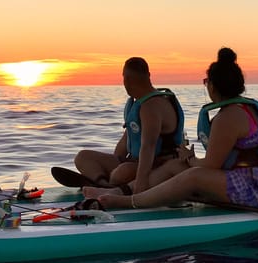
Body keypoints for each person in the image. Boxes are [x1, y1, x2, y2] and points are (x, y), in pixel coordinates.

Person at [92, 47, 258, 209]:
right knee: (175, 165)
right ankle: (121, 191)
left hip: (256, 189)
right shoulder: (241, 109)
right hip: (243, 179)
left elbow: (210, 166)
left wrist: (189, 158)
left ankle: (129, 202)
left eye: (206, 82)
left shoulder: (229, 117)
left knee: (194, 175)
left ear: (214, 86)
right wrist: (186, 160)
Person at [72, 57, 185, 193]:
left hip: (158, 165)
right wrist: (114, 162)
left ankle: (109, 183)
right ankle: (104, 183)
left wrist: (141, 181)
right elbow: (126, 140)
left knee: (120, 173)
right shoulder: (138, 103)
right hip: (134, 161)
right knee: (82, 157)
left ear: (126, 80)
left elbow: (148, 146)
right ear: (148, 76)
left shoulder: (151, 106)